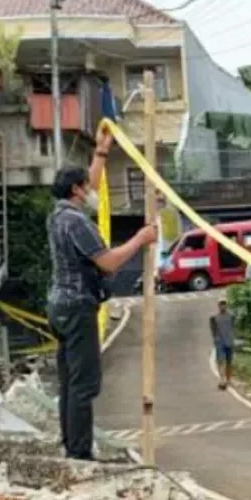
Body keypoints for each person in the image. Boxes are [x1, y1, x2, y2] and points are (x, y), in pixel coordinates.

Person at [47, 129, 157, 460]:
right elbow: (108, 263)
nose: (91, 191)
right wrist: (140, 239)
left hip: (59, 306)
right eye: (86, 187)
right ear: (76, 191)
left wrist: (101, 153)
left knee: (70, 381)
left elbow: (91, 185)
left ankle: (71, 444)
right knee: (85, 384)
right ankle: (80, 454)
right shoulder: (77, 224)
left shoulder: (59, 216)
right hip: (78, 309)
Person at [210, 299, 236, 390]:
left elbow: (233, 327)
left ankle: (229, 379)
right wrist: (215, 339)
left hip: (229, 341)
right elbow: (213, 329)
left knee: (229, 362)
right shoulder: (214, 317)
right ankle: (222, 380)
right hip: (220, 342)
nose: (223, 306)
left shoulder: (231, 316)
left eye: (224, 304)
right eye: (221, 304)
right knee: (221, 361)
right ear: (218, 305)